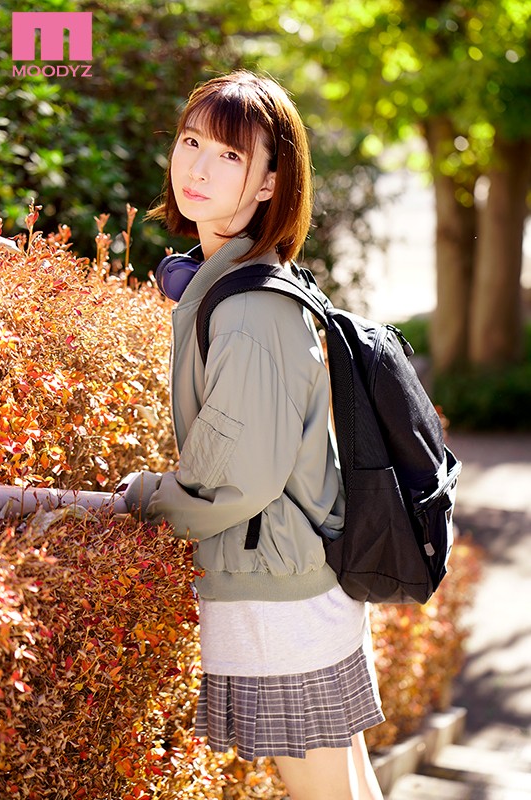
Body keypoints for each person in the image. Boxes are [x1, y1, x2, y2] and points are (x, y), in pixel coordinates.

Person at [122, 70, 385, 800]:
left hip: (278, 601)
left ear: (271, 182)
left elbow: (233, 483)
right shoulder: (238, 280)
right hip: (295, 583)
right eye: (191, 141)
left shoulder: (248, 309)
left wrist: (139, 498)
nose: (199, 167)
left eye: (231, 155)